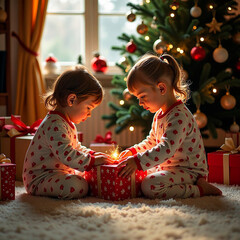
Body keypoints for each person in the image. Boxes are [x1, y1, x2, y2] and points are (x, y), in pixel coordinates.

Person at [118, 53, 222, 199]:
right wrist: (132, 152)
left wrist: (138, 161)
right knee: (139, 175)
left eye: (142, 96)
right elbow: (152, 142)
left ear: (161, 88)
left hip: (189, 171)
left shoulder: (179, 116)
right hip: (168, 167)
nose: (140, 103)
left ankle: (200, 189)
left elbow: (166, 149)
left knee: (150, 185)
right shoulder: (159, 115)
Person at [23, 66, 111, 199]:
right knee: (78, 185)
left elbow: (76, 148)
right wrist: (92, 161)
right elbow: (67, 154)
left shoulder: (67, 123)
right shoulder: (54, 124)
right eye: (88, 108)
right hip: (40, 178)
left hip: (58, 173)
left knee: (87, 178)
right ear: (71, 100)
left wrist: (92, 154)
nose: (89, 114)